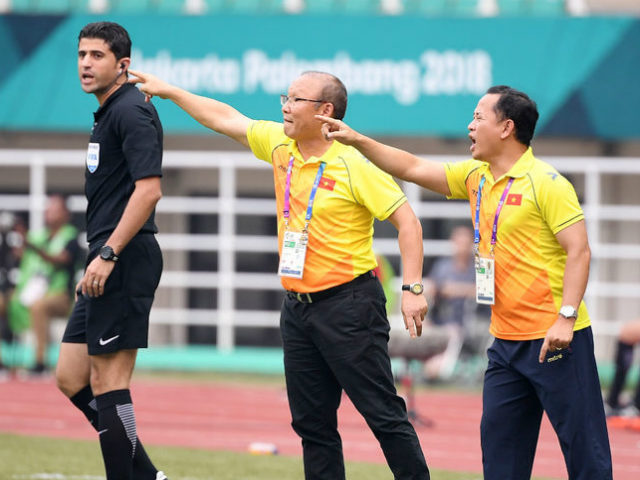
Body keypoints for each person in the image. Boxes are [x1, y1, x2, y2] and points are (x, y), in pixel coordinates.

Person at [130, 69, 431, 479]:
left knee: (383, 416)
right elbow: (225, 118)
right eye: (284, 98)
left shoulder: (353, 164)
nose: (285, 108)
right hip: (298, 309)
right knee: (313, 425)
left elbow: (409, 223)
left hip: (350, 307)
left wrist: (413, 287)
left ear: (325, 112)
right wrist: (170, 91)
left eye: (295, 100)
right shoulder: (280, 144)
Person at [316, 85, 612, 479]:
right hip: (504, 344)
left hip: (556, 341)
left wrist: (566, 317)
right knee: (500, 455)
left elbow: (579, 252)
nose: (470, 126)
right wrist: (355, 139)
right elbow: (412, 167)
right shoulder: (476, 176)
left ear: (506, 128)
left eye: (478, 117)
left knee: (585, 451)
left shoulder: (547, 183)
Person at [54, 22, 168, 480]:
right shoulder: (107, 112)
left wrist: (109, 253)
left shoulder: (131, 111)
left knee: (109, 383)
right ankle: (148, 475)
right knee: (70, 377)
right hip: (103, 258)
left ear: (123, 65)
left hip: (122, 258)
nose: (85, 63)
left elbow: (149, 191)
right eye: (82, 54)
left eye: (96, 56)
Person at [8, 194, 80, 375]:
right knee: (8, 301)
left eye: (54, 209)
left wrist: (31, 245)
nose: (49, 213)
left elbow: (58, 260)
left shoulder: (71, 237)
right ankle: (6, 362)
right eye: (48, 209)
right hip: (35, 292)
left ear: (65, 214)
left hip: (62, 296)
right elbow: (19, 256)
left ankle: (39, 363)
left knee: (39, 306)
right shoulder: (40, 237)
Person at [422, 224, 489, 381]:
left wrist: (452, 289)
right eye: (459, 242)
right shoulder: (442, 266)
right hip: (442, 320)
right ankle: (430, 368)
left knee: (454, 333)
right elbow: (431, 288)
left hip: (471, 323)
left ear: (472, 243)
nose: (462, 247)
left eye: (466, 242)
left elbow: (484, 291)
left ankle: (441, 371)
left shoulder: (479, 266)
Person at [605, 318, 640, 417]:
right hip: (626, 338)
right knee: (622, 369)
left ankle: (635, 405)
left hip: (628, 336)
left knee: (623, 368)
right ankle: (612, 402)